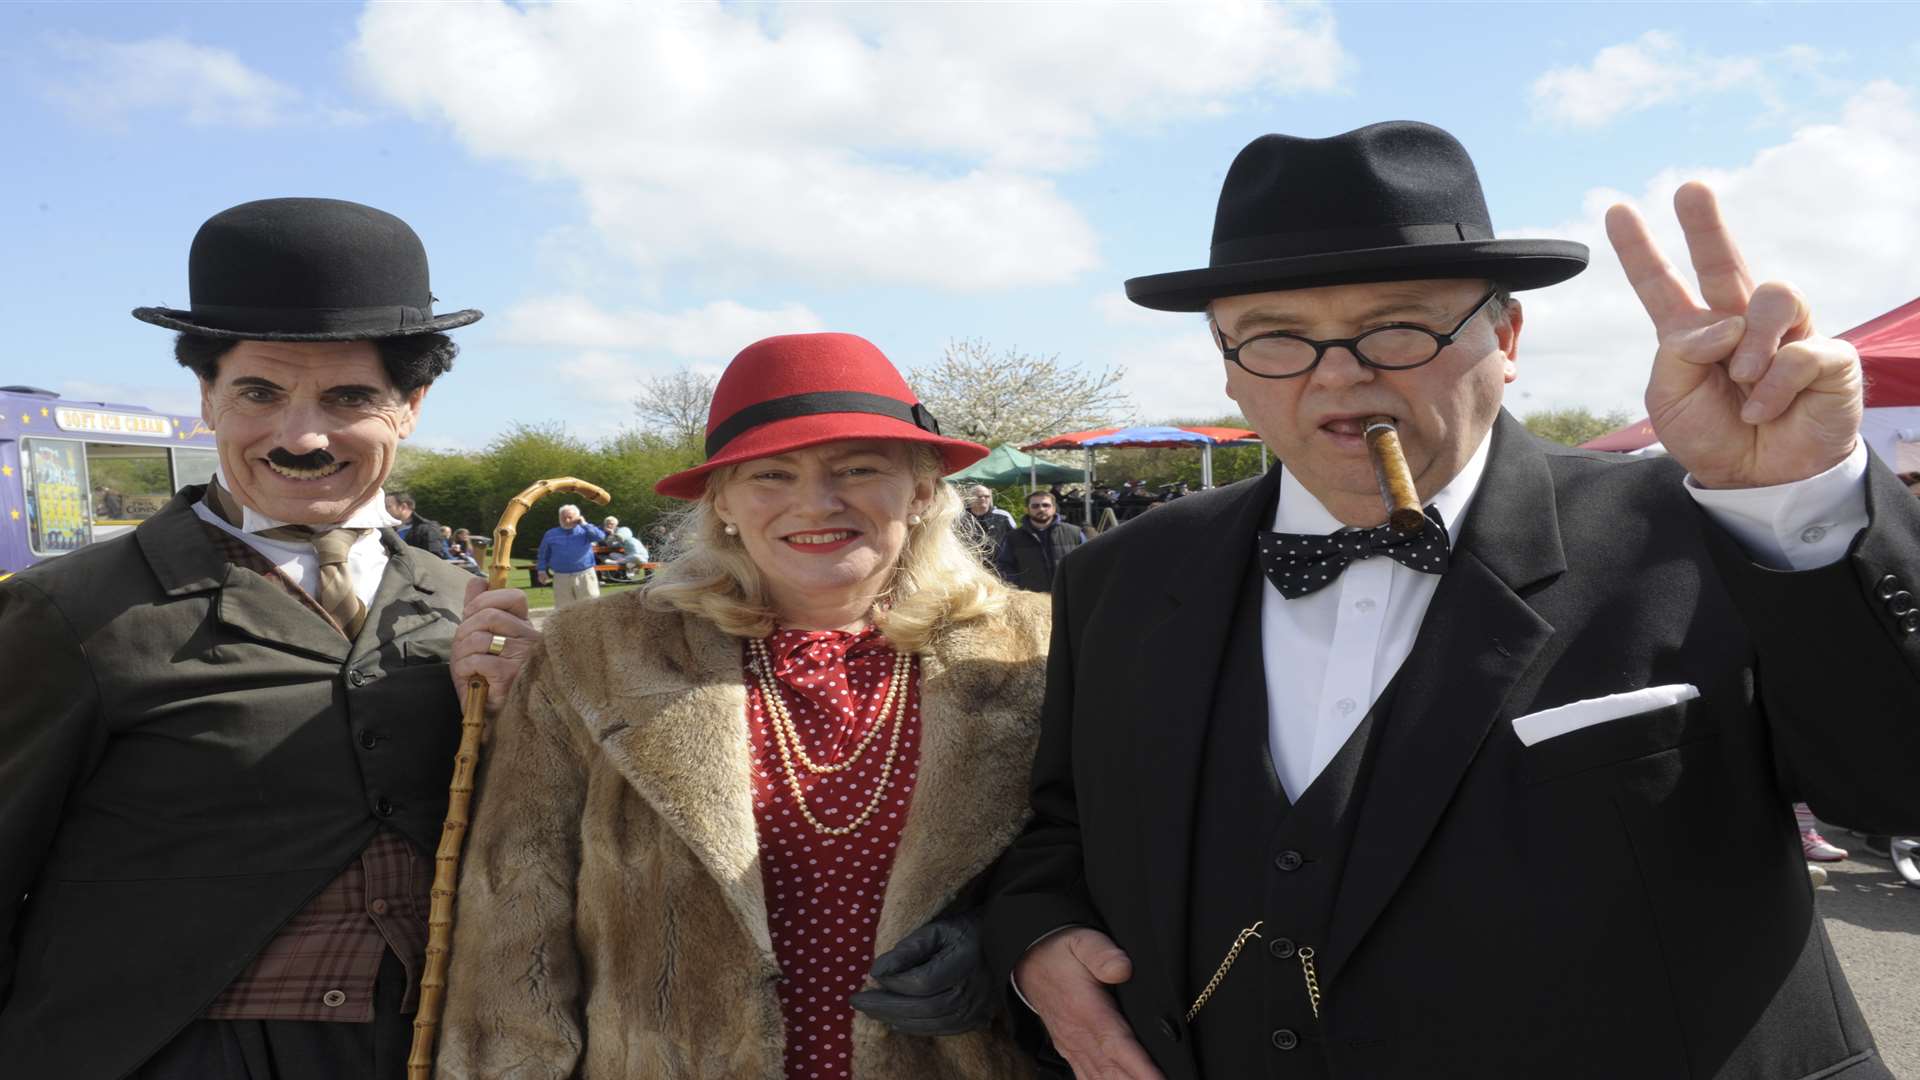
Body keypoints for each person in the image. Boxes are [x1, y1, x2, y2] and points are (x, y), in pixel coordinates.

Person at [983, 122, 1920, 1079]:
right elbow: (1061, 829)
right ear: (1226, 361)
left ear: (1506, 337)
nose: (1339, 372)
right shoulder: (1123, 575)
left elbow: (1896, 784)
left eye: (1398, 325)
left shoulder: (1709, 526)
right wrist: (1037, 940)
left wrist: (1802, 498)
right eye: (1275, 338)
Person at [0, 197, 539, 1080]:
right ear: (207, 395)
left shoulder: (461, 604)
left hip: (430, 1050)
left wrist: (528, 720)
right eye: (259, 392)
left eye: (349, 396)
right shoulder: (70, 611)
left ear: (411, 405)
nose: (302, 435)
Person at [436, 332, 1049, 1079]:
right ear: (720, 500)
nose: (816, 502)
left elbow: (1108, 866)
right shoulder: (597, 654)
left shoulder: (1034, 652)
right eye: (771, 474)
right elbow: (516, 908)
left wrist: (1007, 942)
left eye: (858, 469)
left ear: (921, 491)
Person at [994, 490, 1085, 593]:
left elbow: (1088, 562)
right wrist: (1020, 587)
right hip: (1032, 601)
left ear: (1054, 509)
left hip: (1069, 596)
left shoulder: (1074, 533)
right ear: (1027, 509)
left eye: (1046, 505)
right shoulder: (1013, 538)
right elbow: (1004, 566)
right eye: (1035, 506)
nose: (1041, 509)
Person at [533, 503, 605, 608]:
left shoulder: (585, 531)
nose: (566, 521)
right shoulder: (551, 534)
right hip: (561, 577)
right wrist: (541, 570)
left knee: (591, 608)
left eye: (570, 517)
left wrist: (584, 524)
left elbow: (600, 537)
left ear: (577, 517)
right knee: (564, 610)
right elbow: (543, 553)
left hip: (585, 575)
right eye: (563, 518)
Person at [385, 491, 449, 558]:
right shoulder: (385, 529)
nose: (384, 510)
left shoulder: (428, 528)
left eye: (388, 507)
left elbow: (434, 558)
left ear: (403, 507)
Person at [959, 484, 1014, 559]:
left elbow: (1016, 539)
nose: (983, 499)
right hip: (969, 564)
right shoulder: (960, 518)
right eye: (979, 496)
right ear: (970, 499)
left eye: (986, 496)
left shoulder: (1003, 517)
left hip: (999, 564)